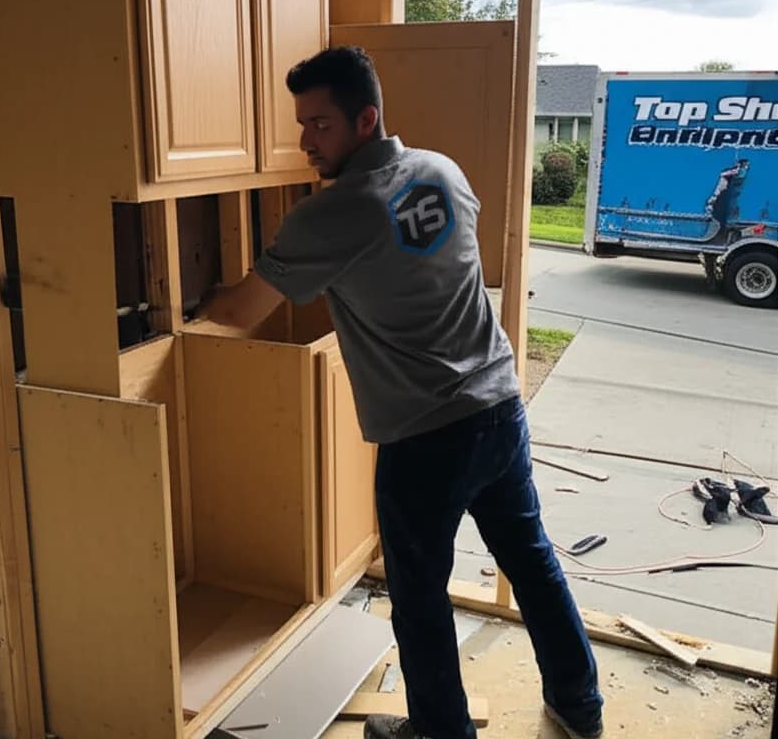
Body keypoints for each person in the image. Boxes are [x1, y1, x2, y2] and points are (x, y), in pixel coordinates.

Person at [196, 46, 603, 739]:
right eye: (301, 123)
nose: (304, 142)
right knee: (531, 561)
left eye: (319, 125)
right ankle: (578, 705)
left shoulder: (334, 213)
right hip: (498, 408)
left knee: (417, 597)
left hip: (425, 436)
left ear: (365, 119)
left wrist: (192, 297)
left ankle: (440, 734)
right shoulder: (441, 170)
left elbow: (238, 312)